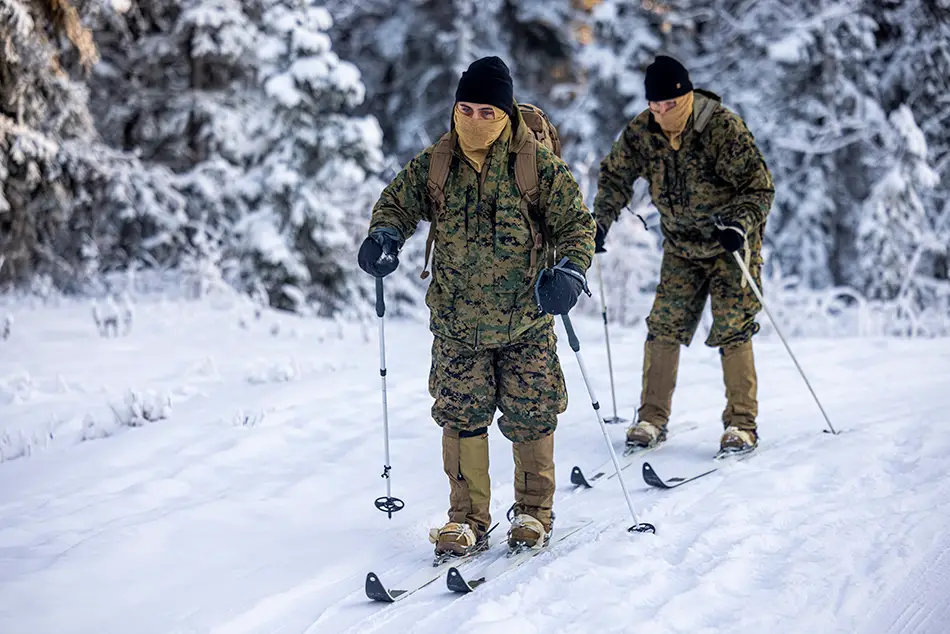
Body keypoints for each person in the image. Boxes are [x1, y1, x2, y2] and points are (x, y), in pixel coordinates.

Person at [358, 57, 595, 555]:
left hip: (525, 320)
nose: (474, 120)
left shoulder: (536, 165)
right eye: (465, 108)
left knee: (532, 414)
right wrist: (385, 235)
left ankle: (533, 513)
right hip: (457, 323)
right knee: (461, 416)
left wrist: (570, 272)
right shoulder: (438, 161)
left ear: (505, 114)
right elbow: (397, 203)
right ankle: (467, 519)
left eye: (487, 111)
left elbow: (577, 226)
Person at [592, 55, 774, 455]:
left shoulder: (719, 127)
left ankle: (741, 424)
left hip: (729, 243)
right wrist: (600, 221)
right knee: (664, 326)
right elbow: (615, 176)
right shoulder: (643, 131)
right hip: (681, 245)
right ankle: (651, 418)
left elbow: (759, 187)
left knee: (733, 326)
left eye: (670, 105)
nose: (661, 113)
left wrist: (740, 224)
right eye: (655, 106)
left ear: (687, 96)